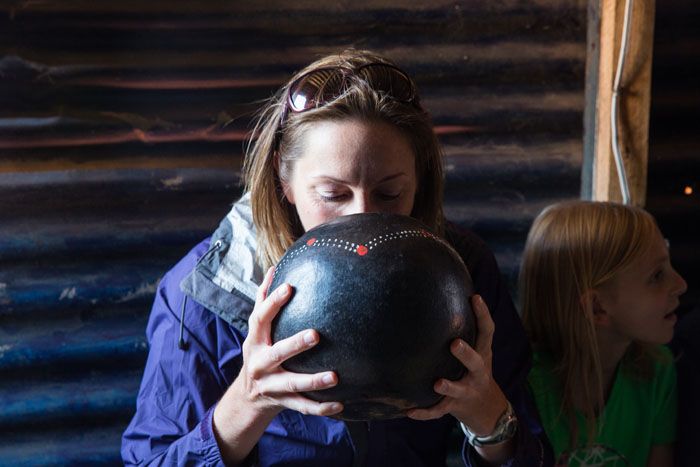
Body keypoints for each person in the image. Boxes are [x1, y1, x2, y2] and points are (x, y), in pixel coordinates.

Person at [122, 49, 550, 466]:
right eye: (333, 194)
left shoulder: (462, 271)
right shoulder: (206, 293)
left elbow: (534, 452)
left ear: (420, 179)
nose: (362, 216)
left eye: (389, 193)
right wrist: (247, 403)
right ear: (283, 181)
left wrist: (489, 418)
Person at [519, 201, 687, 467]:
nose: (680, 284)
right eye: (656, 275)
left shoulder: (658, 371)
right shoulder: (524, 387)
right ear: (597, 308)